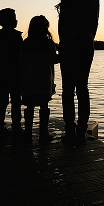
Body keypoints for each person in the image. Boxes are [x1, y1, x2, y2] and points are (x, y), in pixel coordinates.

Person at [56, 0, 99, 143]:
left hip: (69, 43)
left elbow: (63, 24)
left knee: (68, 89)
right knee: (82, 88)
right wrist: (88, 38)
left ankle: (70, 130)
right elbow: (94, 22)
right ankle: (81, 131)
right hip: (87, 43)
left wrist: (63, 44)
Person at [20, 15, 59, 144]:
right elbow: (53, 59)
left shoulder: (26, 43)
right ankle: (43, 132)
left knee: (29, 106)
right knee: (44, 105)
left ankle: (28, 133)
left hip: (28, 80)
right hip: (44, 80)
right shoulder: (48, 44)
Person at [0, 8, 23, 141]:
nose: (16, 19)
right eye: (14, 17)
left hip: (1, 74)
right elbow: (22, 56)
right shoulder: (16, 36)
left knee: (3, 101)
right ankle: (16, 127)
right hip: (15, 74)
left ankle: (0, 127)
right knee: (16, 101)